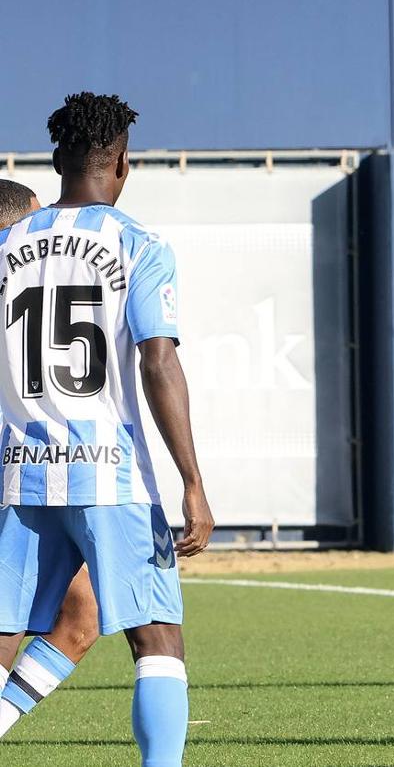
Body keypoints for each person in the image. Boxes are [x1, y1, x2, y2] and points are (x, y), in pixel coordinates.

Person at [0, 91, 214, 767]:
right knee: (157, 640)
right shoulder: (138, 245)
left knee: (6, 638)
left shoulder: (6, 244)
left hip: (22, 475)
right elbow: (159, 361)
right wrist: (193, 482)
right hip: (110, 473)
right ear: (122, 161)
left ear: (57, 157)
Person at [0, 179, 104, 738]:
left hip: (48, 471)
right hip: (17, 476)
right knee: (6, 624)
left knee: (83, 615)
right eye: (37, 220)